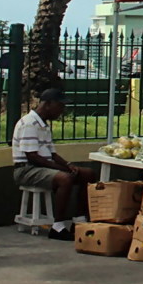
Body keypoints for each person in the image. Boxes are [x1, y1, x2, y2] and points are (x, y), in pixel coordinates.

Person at [12, 88, 96, 240]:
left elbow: (52, 154)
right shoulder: (29, 123)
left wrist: (69, 165)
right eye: (60, 106)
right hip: (26, 170)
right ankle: (57, 227)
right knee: (65, 178)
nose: (62, 111)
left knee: (87, 174)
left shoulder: (44, 125)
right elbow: (32, 157)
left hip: (43, 167)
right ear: (48, 104)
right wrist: (62, 170)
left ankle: (79, 220)